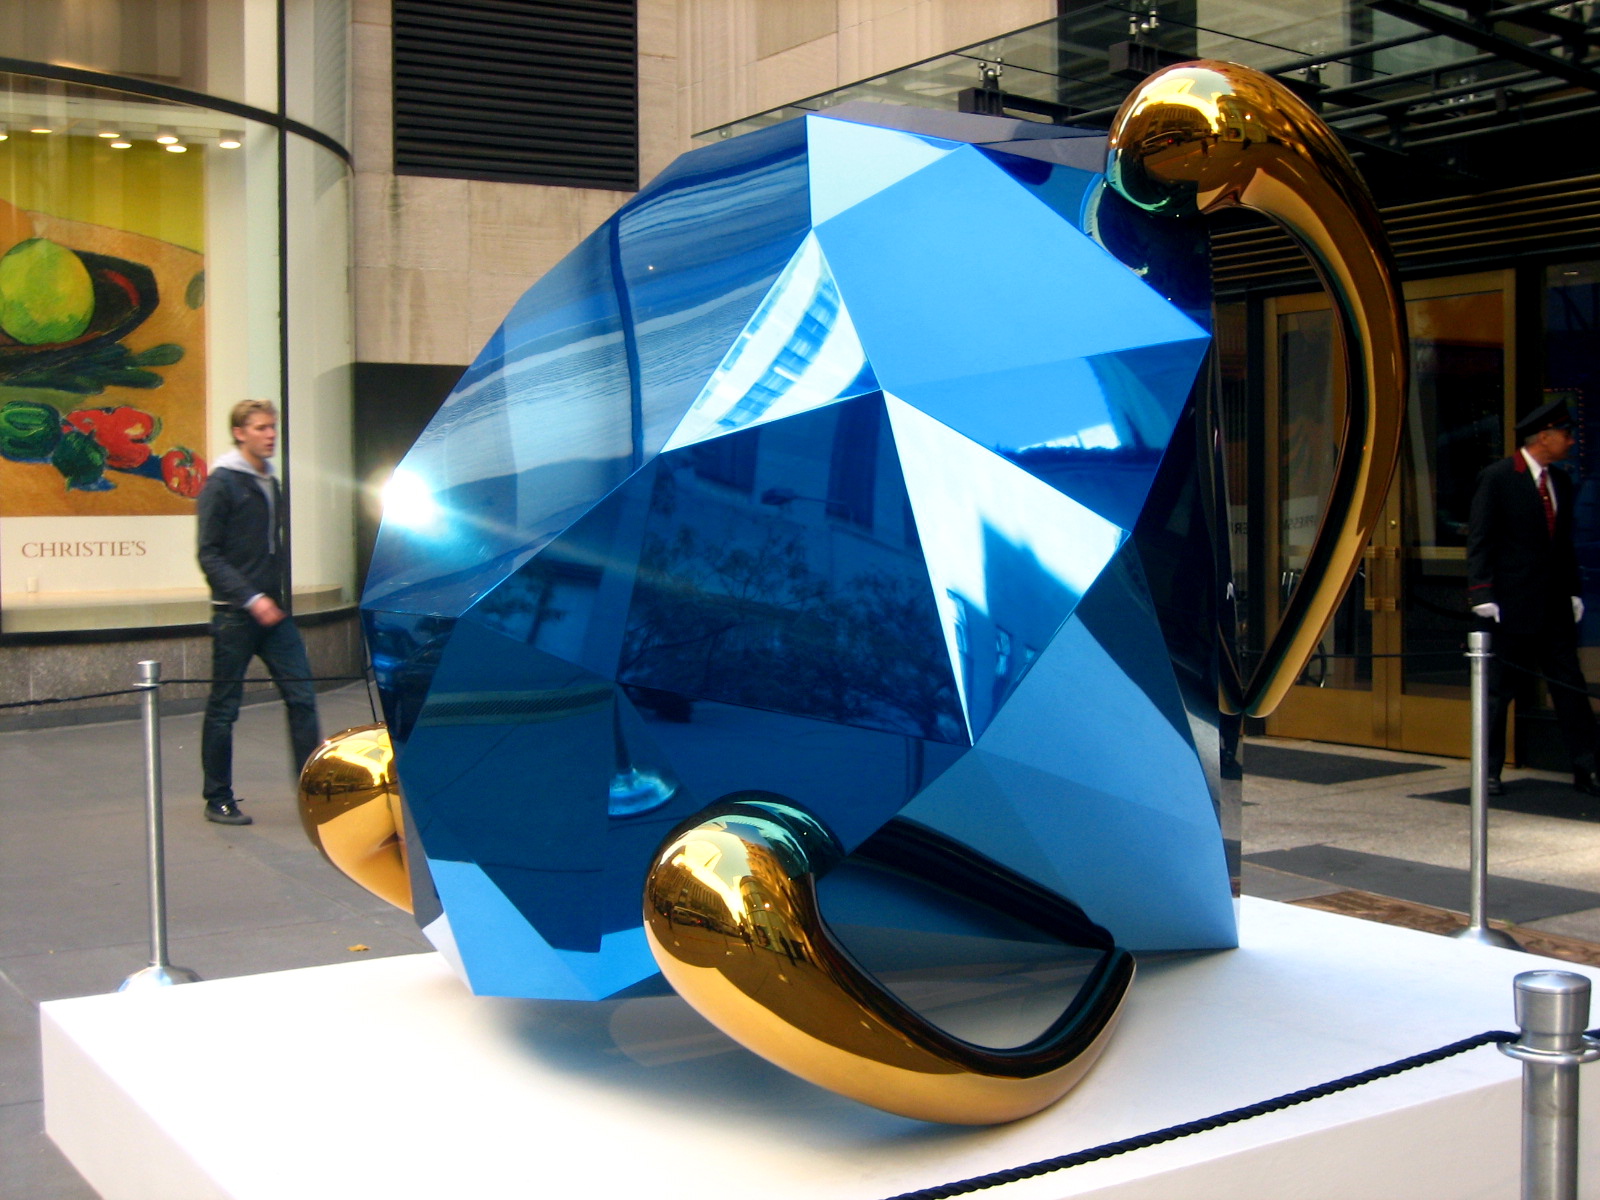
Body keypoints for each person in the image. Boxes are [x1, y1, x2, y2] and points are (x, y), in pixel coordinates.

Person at [196, 399, 321, 825]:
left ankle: (312, 792)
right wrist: (251, 598)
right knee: (224, 708)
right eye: (261, 428)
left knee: (302, 697)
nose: (270, 435)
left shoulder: (270, 482)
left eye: (272, 427)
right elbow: (208, 554)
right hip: (235, 615)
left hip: (274, 614)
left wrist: (274, 598)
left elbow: (270, 547)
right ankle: (218, 798)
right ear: (240, 433)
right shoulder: (222, 484)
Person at [1467, 397, 1598, 797]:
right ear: (1544, 437)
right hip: (1510, 606)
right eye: (1565, 435)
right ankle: (1488, 771)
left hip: (1554, 606)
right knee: (1498, 692)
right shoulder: (1499, 477)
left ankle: (1587, 767)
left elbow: (1563, 545)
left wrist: (1573, 591)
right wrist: (1482, 591)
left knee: (1569, 687)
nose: (1571, 442)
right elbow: (1481, 538)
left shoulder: (1560, 481)